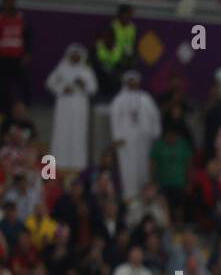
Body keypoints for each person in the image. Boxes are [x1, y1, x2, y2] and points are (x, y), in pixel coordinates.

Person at [46, 44, 97, 174]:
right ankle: (55, 167)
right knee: (61, 134)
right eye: (73, 55)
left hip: (80, 109)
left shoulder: (86, 71)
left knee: (78, 135)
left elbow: (93, 89)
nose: (75, 57)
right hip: (64, 107)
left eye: (77, 55)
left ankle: (78, 166)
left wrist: (84, 84)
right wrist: (62, 89)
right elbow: (50, 83)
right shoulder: (61, 69)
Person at [109, 70, 160, 201]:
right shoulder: (119, 100)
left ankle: (145, 196)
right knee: (128, 170)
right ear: (125, 82)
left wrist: (156, 134)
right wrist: (116, 138)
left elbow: (155, 116)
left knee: (144, 168)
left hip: (144, 141)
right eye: (130, 81)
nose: (132, 83)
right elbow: (114, 118)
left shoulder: (146, 98)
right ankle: (130, 197)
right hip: (125, 142)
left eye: (134, 81)